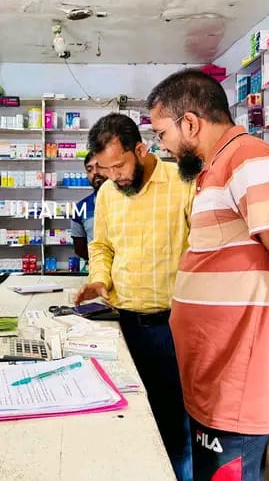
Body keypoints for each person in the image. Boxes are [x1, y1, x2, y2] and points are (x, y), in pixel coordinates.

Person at [147, 68, 269, 481]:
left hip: (234, 386)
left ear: (190, 123)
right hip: (214, 380)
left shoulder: (249, 161)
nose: (161, 145)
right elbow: (263, 279)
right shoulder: (216, 169)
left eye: (162, 133)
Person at [74, 113, 195, 480]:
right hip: (123, 326)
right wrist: (99, 280)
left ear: (140, 150)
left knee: (174, 424)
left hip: (173, 328)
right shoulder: (108, 193)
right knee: (127, 419)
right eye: (104, 169)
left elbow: (204, 250)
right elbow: (101, 246)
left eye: (119, 166)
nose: (114, 176)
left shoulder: (183, 182)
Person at [70, 151, 106, 260]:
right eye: (90, 169)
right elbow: (79, 249)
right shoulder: (81, 208)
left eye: (99, 166)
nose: (95, 172)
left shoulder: (128, 201)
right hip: (97, 267)